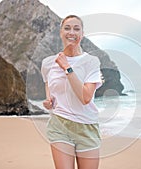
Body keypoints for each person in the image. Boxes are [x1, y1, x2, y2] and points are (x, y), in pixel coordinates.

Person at [41, 15, 102, 169]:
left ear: (82, 34)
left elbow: (85, 97)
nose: (71, 32)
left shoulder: (91, 62)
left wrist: (67, 67)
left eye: (76, 28)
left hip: (87, 127)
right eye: (67, 28)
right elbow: (48, 84)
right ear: (61, 32)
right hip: (60, 125)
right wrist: (49, 100)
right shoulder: (48, 63)